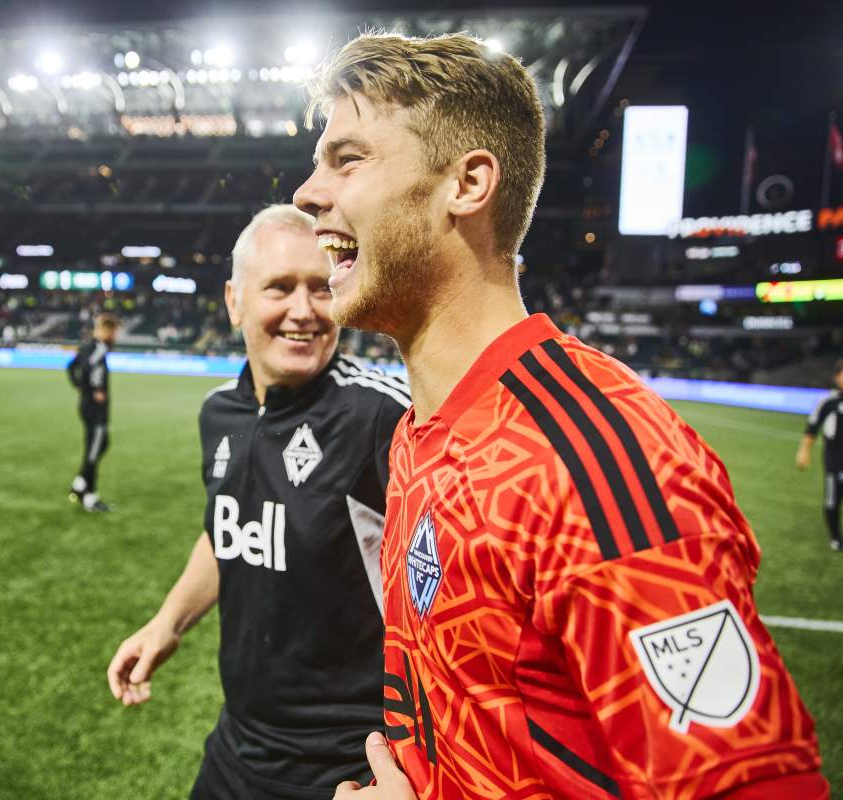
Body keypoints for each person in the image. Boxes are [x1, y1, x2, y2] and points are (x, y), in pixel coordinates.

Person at [292, 32, 827, 800]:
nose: (308, 191)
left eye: (347, 159)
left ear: (467, 183)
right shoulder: (422, 432)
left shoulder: (587, 463)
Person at [106, 205, 410, 799]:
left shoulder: (380, 415)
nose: (303, 310)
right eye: (279, 287)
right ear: (234, 300)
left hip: (345, 768)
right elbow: (229, 529)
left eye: (321, 288)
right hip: (238, 746)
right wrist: (167, 624)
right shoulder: (220, 412)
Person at [66, 313, 119, 513]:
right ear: (107, 330)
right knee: (95, 448)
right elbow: (90, 368)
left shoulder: (88, 346)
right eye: (114, 332)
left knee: (98, 445)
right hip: (95, 408)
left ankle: (80, 484)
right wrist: (95, 389)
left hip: (87, 405)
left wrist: (79, 386)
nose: (115, 336)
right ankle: (90, 496)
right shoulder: (98, 348)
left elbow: (71, 367)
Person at [796, 359, 843, 551]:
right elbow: (812, 428)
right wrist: (804, 451)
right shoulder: (828, 401)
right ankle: (835, 538)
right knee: (833, 498)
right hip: (835, 458)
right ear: (836, 376)